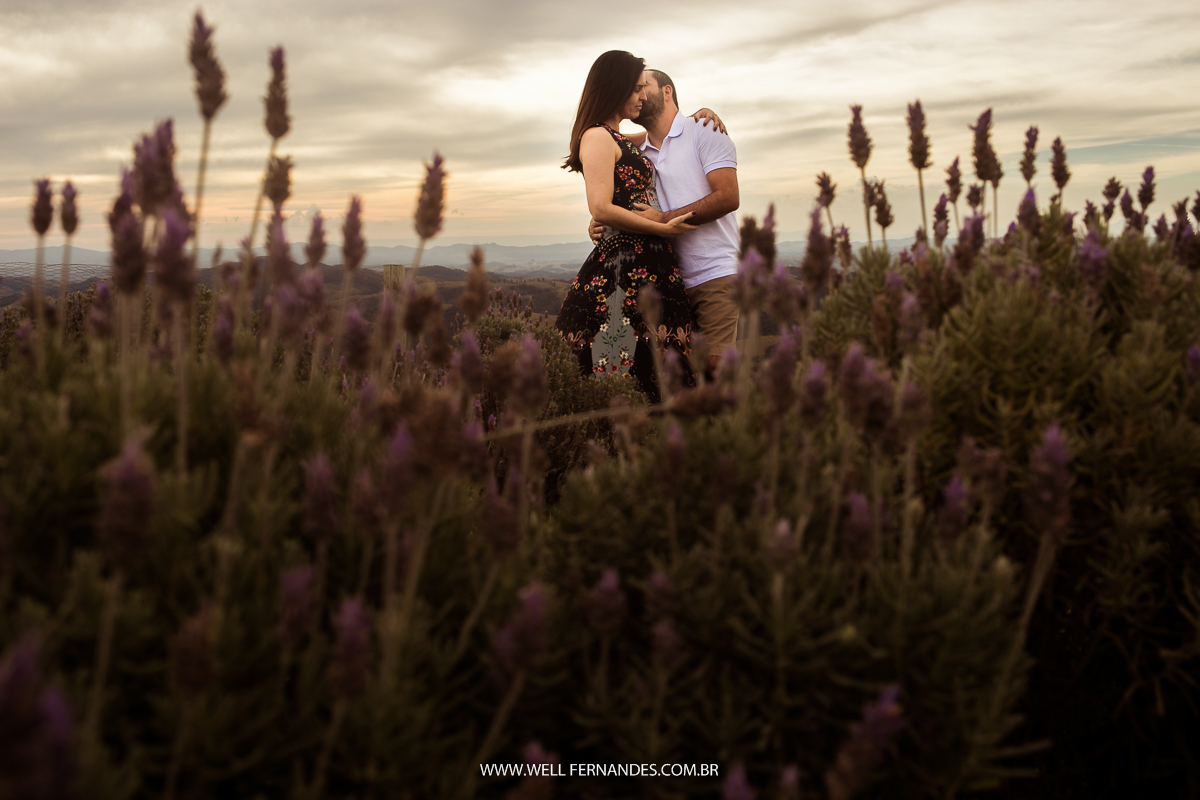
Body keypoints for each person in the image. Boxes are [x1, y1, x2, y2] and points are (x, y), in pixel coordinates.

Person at [555, 51, 701, 402]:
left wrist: (700, 117)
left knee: (658, 366)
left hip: (650, 263)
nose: (641, 97)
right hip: (622, 267)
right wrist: (663, 229)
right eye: (635, 89)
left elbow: (668, 134)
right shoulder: (596, 137)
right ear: (616, 87)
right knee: (623, 365)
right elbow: (600, 207)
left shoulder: (617, 137)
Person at [589, 68, 740, 378]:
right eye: (633, 89)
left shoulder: (703, 130)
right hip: (667, 279)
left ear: (667, 92)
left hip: (713, 271)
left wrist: (662, 219)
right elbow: (600, 145)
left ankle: (740, 426)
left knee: (715, 367)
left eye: (643, 86)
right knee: (679, 374)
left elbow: (728, 197)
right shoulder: (637, 151)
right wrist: (601, 220)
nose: (639, 95)